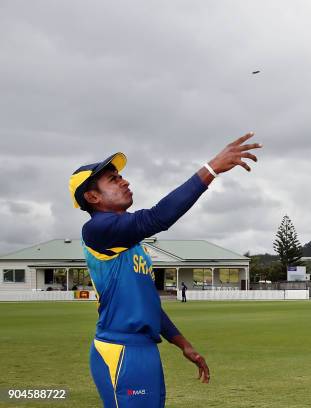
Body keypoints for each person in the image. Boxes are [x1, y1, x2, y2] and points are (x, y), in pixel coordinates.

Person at [68, 132, 261, 407]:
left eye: (121, 176)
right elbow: (157, 217)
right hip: (120, 350)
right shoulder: (96, 230)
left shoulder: (133, 247)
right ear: (92, 196)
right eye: (113, 179)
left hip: (145, 350)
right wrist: (211, 169)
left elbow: (149, 305)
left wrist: (183, 344)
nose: (125, 181)